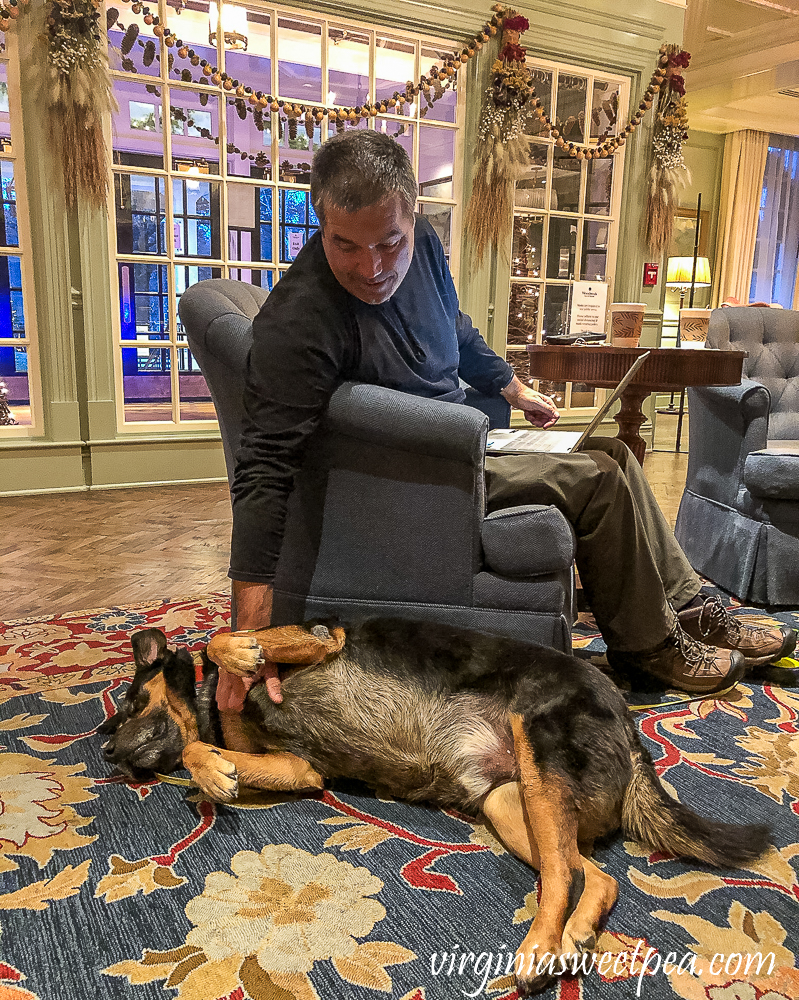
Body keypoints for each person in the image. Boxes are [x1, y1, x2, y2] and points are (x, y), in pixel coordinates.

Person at [217, 130, 796, 712]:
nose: (371, 268)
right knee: (596, 478)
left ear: (413, 216)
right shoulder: (298, 322)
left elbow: (457, 329)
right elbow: (262, 469)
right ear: (321, 224)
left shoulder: (425, 249)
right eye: (346, 246)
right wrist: (249, 636)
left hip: (468, 436)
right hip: (417, 473)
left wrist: (513, 388)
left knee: (615, 453)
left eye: (390, 243)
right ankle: (650, 645)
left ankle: (692, 606)